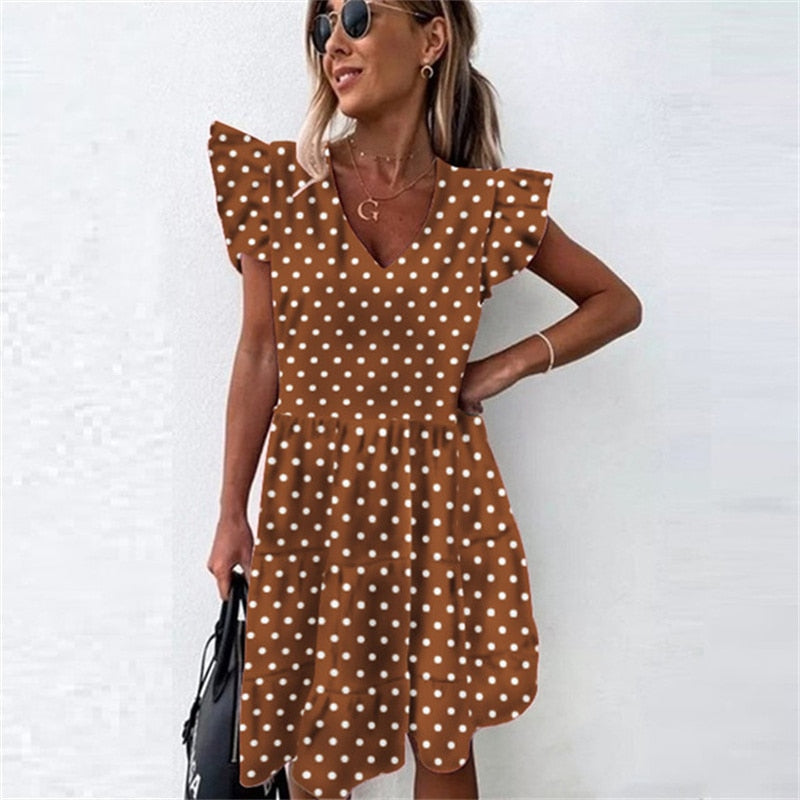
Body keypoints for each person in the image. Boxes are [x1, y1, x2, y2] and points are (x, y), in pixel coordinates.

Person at [205, 1, 642, 798]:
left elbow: (616, 303)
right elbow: (260, 351)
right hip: (314, 495)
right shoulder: (281, 185)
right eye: (323, 25)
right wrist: (232, 511)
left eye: (358, 15)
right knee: (317, 735)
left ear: (432, 37)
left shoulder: (483, 207)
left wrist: (504, 366)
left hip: (440, 496)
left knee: (443, 739)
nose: (335, 41)